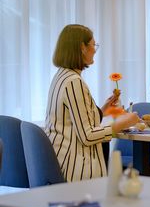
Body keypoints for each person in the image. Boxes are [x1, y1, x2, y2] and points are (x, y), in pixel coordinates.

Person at [45, 24, 138, 182]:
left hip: (59, 161)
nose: (95, 50)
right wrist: (124, 122)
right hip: (75, 169)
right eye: (93, 45)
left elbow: (76, 121)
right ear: (82, 47)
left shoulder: (61, 76)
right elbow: (87, 136)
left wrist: (103, 109)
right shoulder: (74, 82)